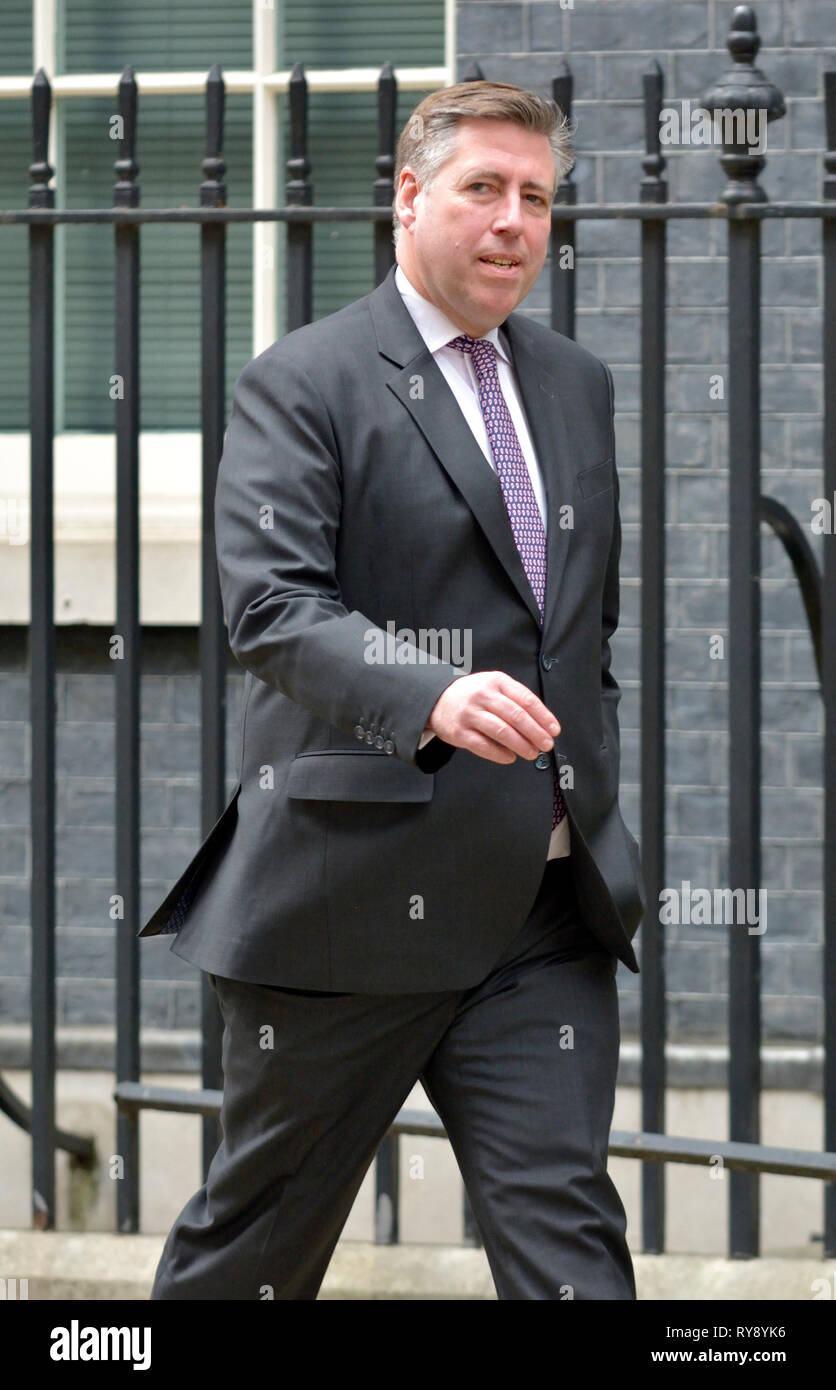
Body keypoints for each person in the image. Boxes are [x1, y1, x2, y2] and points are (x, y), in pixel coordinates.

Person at [139, 79, 647, 1300]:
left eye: (534, 197)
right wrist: (431, 695)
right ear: (409, 198)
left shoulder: (575, 383)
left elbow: (582, 626)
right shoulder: (303, 381)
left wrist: (588, 782)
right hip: (348, 907)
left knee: (571, 1244)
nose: (513, 221)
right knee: (252, 1252)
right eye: (482, 188)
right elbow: (273, 607)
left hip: (539, 916)